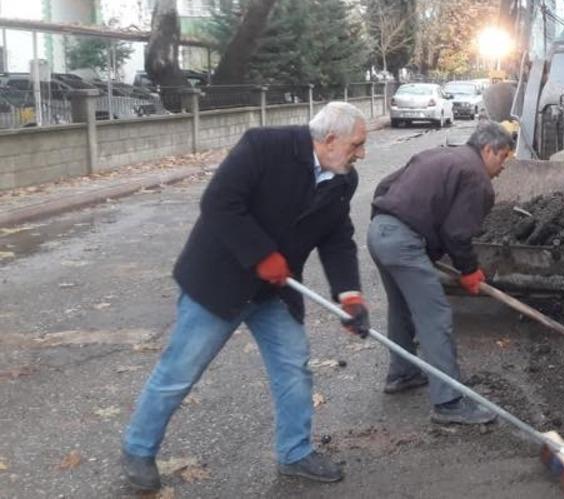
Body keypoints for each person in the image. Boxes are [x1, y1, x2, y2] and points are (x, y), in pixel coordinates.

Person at [120, 102, 371, 490]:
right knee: (179, 371)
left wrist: (350, 295)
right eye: (357, 144)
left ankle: (295, 452)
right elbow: (219, 203)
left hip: (275, 291)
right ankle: (138, 449)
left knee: (293, 368)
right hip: (219, 282)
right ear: (331, 139)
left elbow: (336, 238)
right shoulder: (264, 146)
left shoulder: (343, 179)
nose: (362, 153)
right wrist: (259, 254)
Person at [368, 121, 514, 425]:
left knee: (403, 308)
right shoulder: (477, 178)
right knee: (436, 317)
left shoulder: (436, 154)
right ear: (488, 150)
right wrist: (469, 270)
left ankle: (403, 373)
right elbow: (457, 234)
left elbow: (384, 186)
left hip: (380, 231)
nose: (503, 168)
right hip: (403, 242)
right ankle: (449, 403)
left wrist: (395, 233)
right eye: (503, 158)